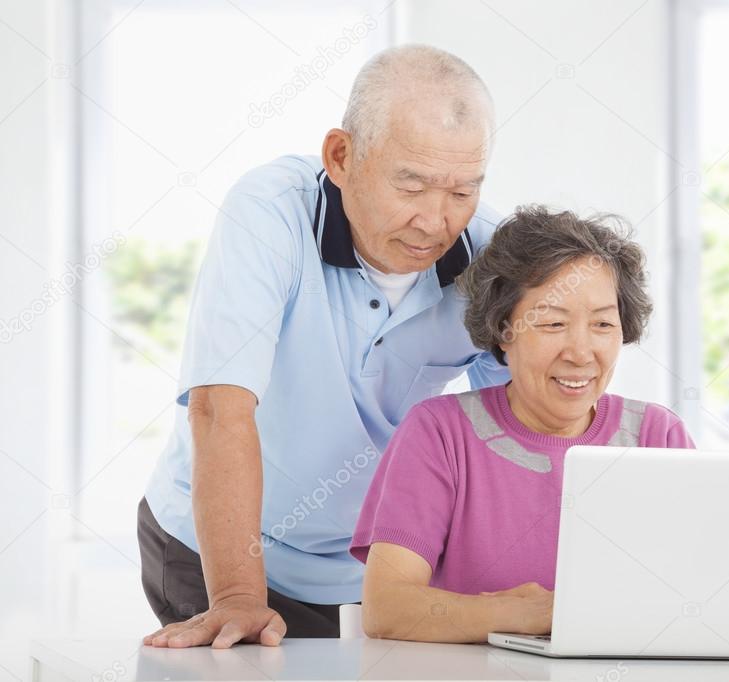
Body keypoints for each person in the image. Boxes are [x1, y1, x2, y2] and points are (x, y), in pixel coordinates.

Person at [139, 44, 509, 649]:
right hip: (214, 548)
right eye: (411, 186)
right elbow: (220, 407)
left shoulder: (493, 255)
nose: (435, 222)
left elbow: (509, 439)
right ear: (342, 156)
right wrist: (236, 597)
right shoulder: (271, 212)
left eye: (462, 191)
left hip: (373, 566)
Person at [350, 205, 696, 642]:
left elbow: (699, 596)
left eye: (603, 324)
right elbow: (388, 609)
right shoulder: (440, 433)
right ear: (502, 330)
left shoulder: (657, 436)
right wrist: (523, 614)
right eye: (553, 323)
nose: (581, 352)